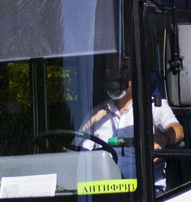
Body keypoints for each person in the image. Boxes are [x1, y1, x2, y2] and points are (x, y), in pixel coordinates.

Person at [78, 59, 183, 190]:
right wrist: (89, 123)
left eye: (123, 72)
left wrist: (164, 139)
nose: (117, 78)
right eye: (112, 72)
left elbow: (178, 131)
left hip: (147, 192)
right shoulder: (97, 114)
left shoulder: (153, 106)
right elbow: (78, 155)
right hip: (104, 191)